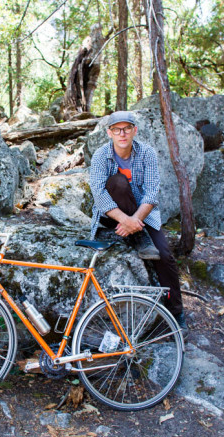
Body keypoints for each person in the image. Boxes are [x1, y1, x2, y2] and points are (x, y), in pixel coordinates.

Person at [89, 111, 186, 331]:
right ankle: (139, 236)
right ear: (109, 132)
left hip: (141, 216)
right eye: (116, 129)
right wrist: (127, 222)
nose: (122, 134)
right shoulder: (101, 155)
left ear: (135, 130)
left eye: (126, 129)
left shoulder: (147, 153)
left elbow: (152, 193)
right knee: (118, 182)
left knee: (164, 256)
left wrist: (135, 221)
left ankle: (176, 313)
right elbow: (99, 193)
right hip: (112, 218)